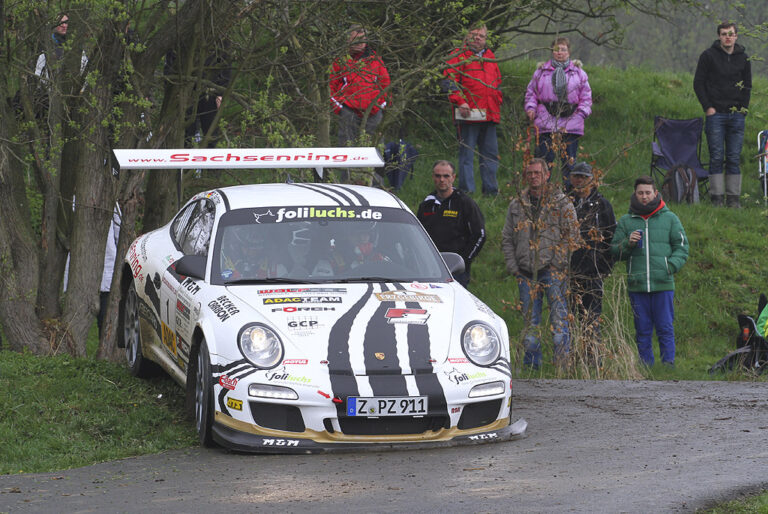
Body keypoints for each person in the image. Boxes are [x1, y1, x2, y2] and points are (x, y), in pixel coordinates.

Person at [502, 158, 579, 368]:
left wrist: (558, 263)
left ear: (546, 175)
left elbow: (572, 234)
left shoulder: (561, 202)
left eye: (537, 173)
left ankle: (562, 368)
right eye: (529, 173)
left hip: (553, 272)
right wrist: (513, 267)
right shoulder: (517, 203)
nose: (533, 176)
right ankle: (532, 368)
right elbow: (507, 237)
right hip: (525, 273)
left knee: (559, 322)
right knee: (531, 325)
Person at [611, 176, 689, 366]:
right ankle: (646, 366)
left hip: (663, 283)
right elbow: (614, 250)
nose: (644, 196)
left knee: (665, 327)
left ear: (655, 193)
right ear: (635, 194)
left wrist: (669, 267)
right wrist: (628, 244)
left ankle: (668, 365)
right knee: (642, 328)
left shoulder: (670, 218)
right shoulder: (626, 221)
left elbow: (682, 247)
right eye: (640, 193)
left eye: (647, 192)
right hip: (637, 285)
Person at [693, 22, 751, 208]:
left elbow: (747, 85)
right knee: (716, 156)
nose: (728, 37)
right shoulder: (708, 56)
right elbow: (698, 83)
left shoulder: (744, 58)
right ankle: (716, 198)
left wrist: (743, 109)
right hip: (715, 114)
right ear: (719, 36)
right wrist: (708, 107)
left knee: (734, 157)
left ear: (736, 36)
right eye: (724, 34)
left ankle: (733, 199)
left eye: (731, 34)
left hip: (736, 115)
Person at [444, 25, 502, 196]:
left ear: (486, 39)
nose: (478, 38)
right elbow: (449, 82)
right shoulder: (458, 55)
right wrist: (460, 102)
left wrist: (497, 100)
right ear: (467, 35)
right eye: (474, 34)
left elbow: (497, 83)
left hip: (490, 114)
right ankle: (466, 192)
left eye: (481, 36)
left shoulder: (491, 57)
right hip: (467, 115)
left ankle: (490, 191)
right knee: (467, 156)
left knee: (490, 156)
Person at [525, 37, 592, 186]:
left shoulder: (579, 73)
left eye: (563, 49)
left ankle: (569, 198)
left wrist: (581, 114)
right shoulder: (541, 72)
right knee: (543, 162)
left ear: (569, 52)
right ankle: (542, 195)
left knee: (569, 163)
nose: (560, 53)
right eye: (556, 49)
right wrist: (531, 108)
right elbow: (531, 93)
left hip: (571, 122)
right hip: (545, 122)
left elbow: (586, 97)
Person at [330, 25, 390, 183]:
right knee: (346, 150)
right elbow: (331, 86)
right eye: (355, 40)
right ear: (348, 40)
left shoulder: (375, 60)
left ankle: (376, 186)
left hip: (373, 113)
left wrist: (380, 106)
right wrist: (340, 108)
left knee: (376, 150)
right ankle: (347, 184)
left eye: (362, 40)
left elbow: (385, 84)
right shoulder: (341, 60)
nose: (358, 43)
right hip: (348, 111)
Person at [568, 162, 616, 360]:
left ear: (591, 179)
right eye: (576, 176)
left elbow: (611, 236)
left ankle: (593, 359)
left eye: (583, 177)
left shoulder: (602, 204)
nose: (579, 180)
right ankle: (572, 358)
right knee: (570, 318)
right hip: (569, 271)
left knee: (592, 317)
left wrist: (604, 267)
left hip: (594, 271)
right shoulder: (565, 202)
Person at [416, 160, 486, 288]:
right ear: (433, 177)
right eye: (438, 176)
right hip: (429, 268)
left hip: (456, 270)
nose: (442, 180)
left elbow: (480, 234)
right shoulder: (426, 205)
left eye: (446, 176)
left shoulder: (464, 203)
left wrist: (464, 260)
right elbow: (416, 236)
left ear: (453, 178)